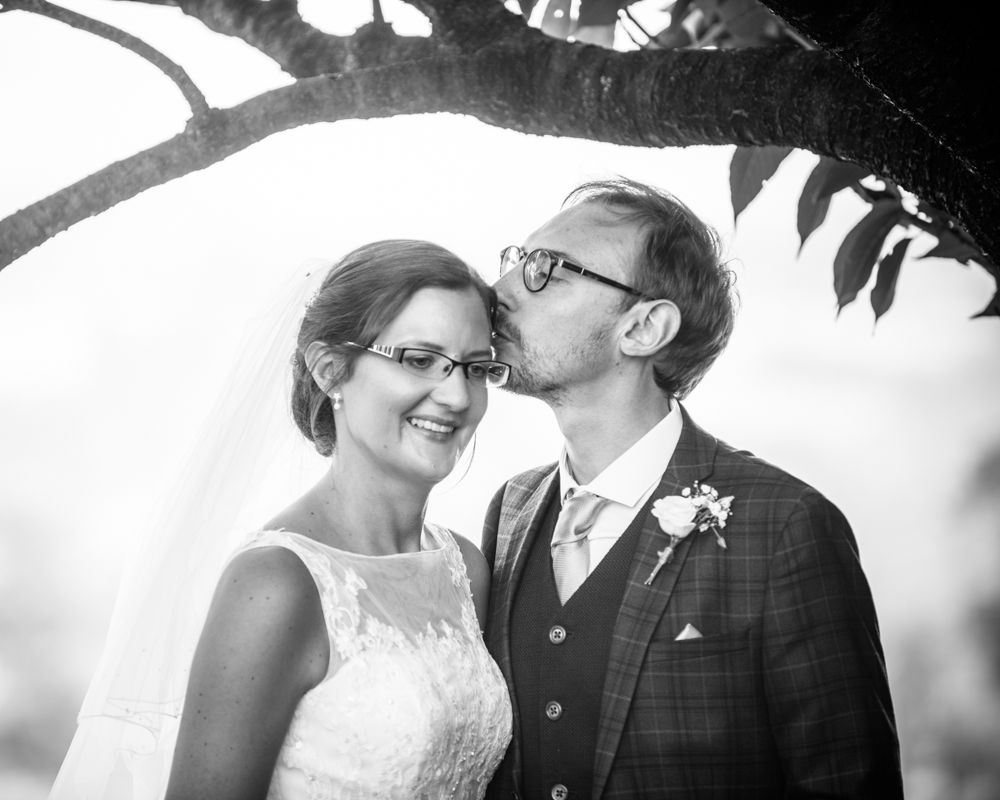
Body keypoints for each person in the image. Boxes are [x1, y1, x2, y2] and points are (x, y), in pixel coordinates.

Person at [482, 179, 903, 799]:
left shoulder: (787, 525)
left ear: (644, 327)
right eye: (516, 260)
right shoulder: (511, 508)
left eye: (547, 269)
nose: (499, 292)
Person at [50, 240, 512, 800]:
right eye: (419, 360)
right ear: (329, 369)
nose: (458, 395)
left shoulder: (464, 566)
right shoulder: (276, 583)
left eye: (477, 367)